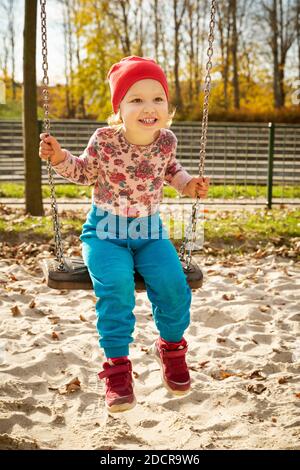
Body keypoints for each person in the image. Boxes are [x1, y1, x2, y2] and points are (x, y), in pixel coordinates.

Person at [39, 56, 210, 413]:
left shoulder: (166, 141)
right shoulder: (104, 139)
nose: (149, 108)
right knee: (116, 288)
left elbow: (172, 171)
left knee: (174, 285)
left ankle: (172, 348)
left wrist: (188, 184)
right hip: (104, 233)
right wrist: (58, 158)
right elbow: (84, 173)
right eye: (136, 99)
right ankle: (117, 369)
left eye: (157, 98)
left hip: (150, 232)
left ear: (167, 107)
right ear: (119, 108)